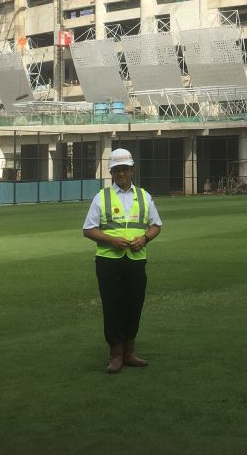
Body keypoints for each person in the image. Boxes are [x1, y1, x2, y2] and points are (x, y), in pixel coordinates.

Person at [82, 148, 163, 374]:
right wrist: (111, 240)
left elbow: (156, 225)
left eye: (125, 169)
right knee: (112, 306)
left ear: (132, 170)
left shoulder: (144, 196)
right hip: (108, 261)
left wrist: (145, 238)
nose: (121, 174)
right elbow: (88, 229)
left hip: (136, 260)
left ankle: (129, 351)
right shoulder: (102, 197)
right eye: (117, 170)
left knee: (134, 305)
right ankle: (116, 354)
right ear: (111, 172)